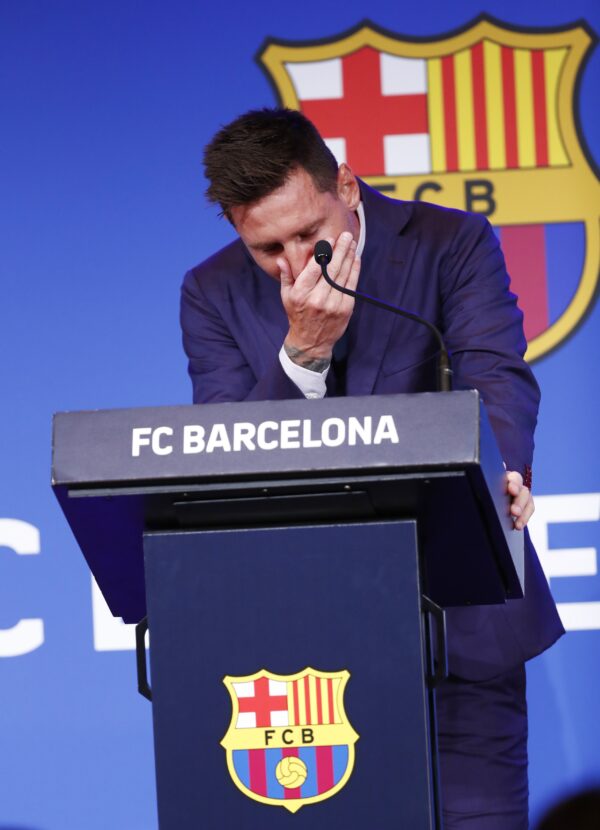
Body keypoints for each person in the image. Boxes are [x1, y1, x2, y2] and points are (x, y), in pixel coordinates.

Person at [180, 108, 564, 828]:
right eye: (268, 248)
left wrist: (503, 470)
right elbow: (229, 457)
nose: (296, 265)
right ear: (236, 229)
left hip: (461, 615)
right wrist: (302, 354)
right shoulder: (211, 291)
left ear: (347, 187)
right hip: (304, 647)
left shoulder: (450, 241)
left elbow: (494, 374)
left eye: (308, 234)